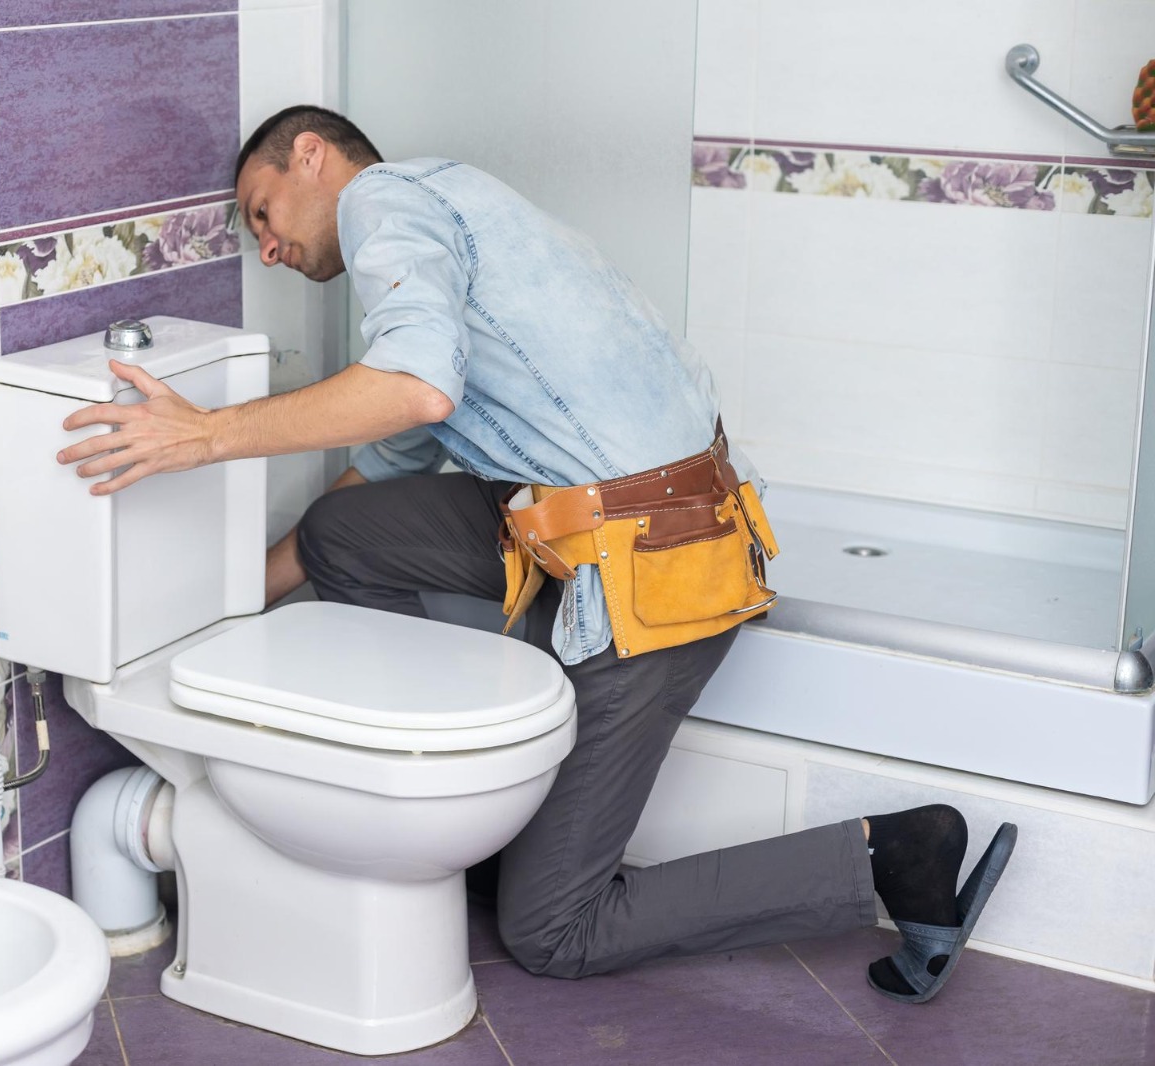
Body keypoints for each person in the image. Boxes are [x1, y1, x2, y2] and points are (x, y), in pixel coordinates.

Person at [54, 105, 1016, 1003]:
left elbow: (416, 392)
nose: (266, 245)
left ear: (312, 153)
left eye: (262, 212)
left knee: (553, 928)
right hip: (613, 531)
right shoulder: (446, 206)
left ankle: (892, 854)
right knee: (341, 534)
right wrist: (206, 609)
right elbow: (382, 464)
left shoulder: (385, 201)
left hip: (654, 575)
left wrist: (209, 436)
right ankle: (432, 796)